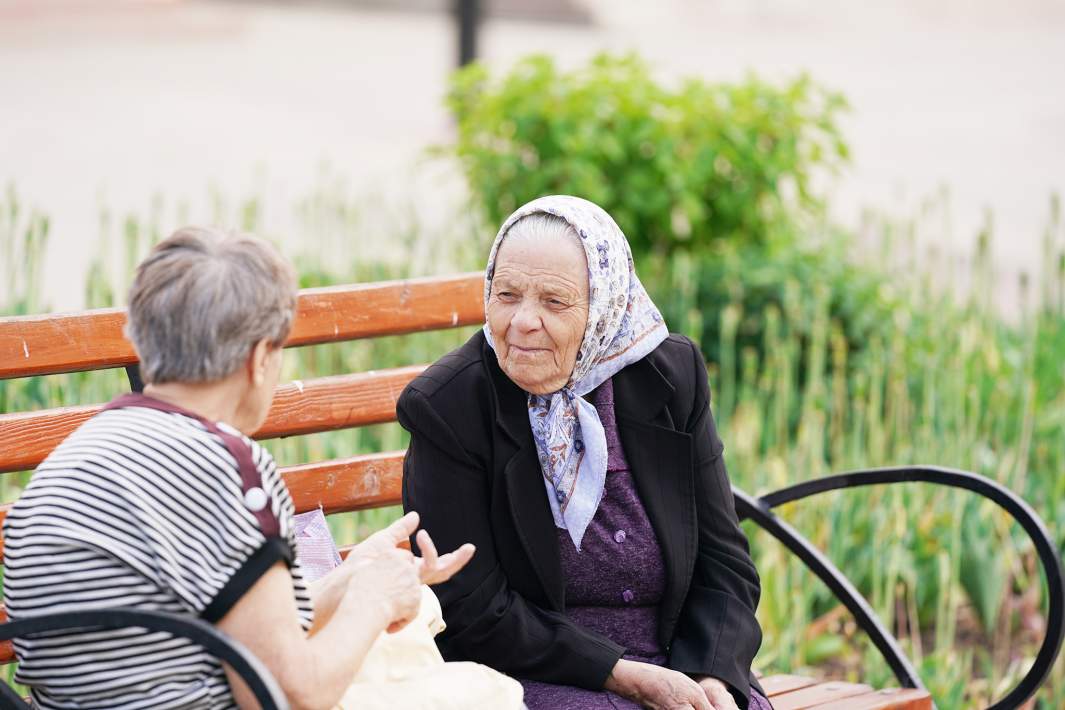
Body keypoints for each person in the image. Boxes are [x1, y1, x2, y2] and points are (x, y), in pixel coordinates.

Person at [3, 227, 474, 709]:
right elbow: (287, 695)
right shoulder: (226, 467)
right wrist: (372, 601)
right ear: (258, 359)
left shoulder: (76, 457)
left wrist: (352, 577)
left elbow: (236, 631)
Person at [399, 195, 772, 710]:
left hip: (680, 658)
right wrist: (622, 675)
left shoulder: (668, 374)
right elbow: (472, 609)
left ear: (604, 305)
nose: (522, 320)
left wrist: (713, 677)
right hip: (531, 670)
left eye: (554, 301)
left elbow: (724, 562)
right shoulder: (449, 406)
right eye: (506, 295)